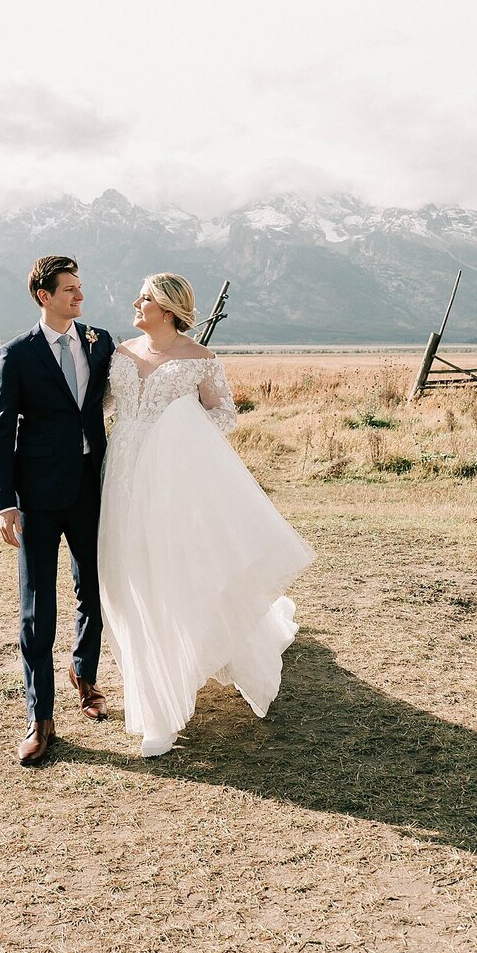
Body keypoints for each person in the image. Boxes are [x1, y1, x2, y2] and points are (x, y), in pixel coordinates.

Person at [99, 272, 314, 757]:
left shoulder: (201, 361)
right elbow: (99, 407)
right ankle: (153, 677)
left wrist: (179, 426)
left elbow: (225, 416)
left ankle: (163, 708)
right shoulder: (119, 355)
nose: (136, 303)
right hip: (124, 477)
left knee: (178, 571)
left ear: (169, 309)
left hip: (176, 484)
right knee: (130, 575)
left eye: (146, 298)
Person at [0, 255, 115, 767]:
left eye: (81, 288)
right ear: (44, 295)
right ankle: (40, 719)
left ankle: (84, 674)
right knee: (38, 608)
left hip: (92, 489)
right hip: (37, 498)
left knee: (95, 589)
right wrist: (5, 503)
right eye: (68, 290)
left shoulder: (100, 342)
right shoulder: (16, 354)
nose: (78, 297)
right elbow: (0, 431)